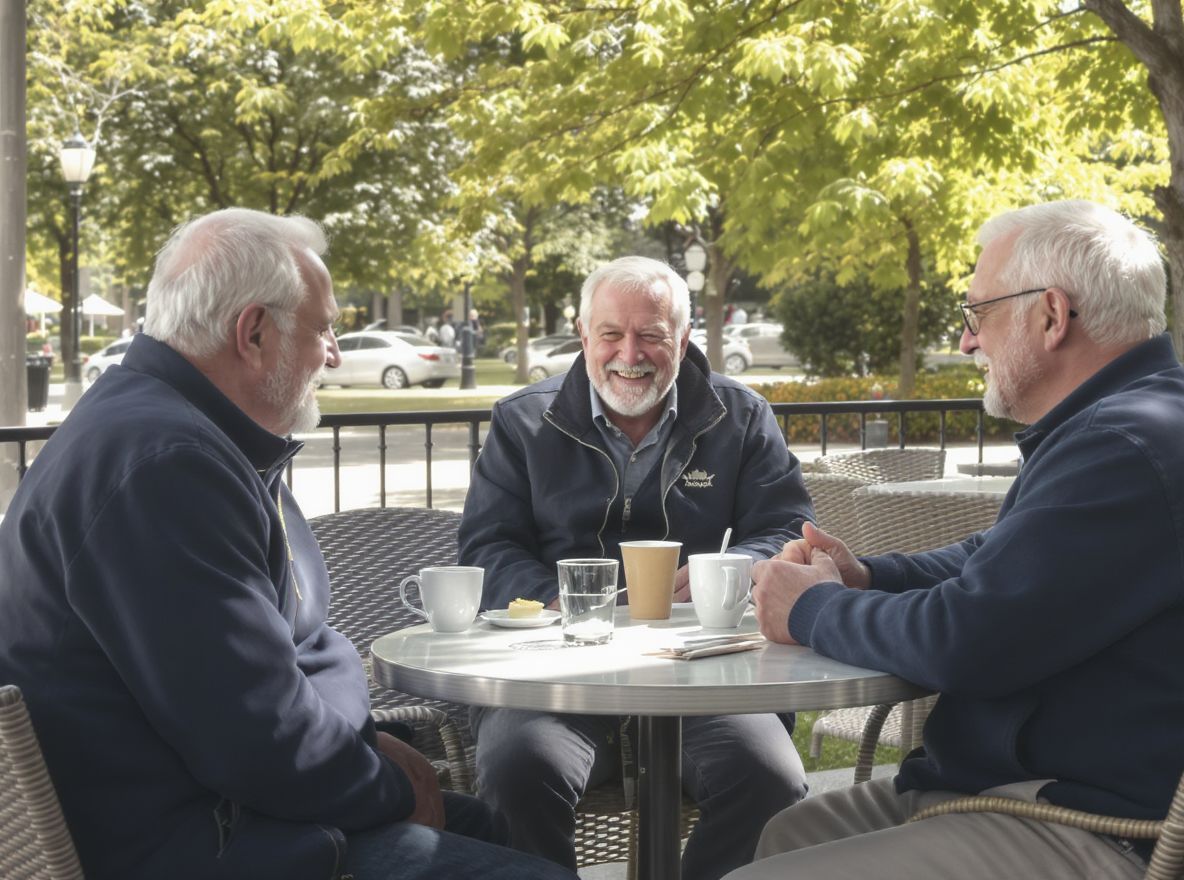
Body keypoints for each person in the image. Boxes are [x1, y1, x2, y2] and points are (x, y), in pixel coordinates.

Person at [0, 208, 573, 880]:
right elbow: (257, 741)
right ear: (254, 333)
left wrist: (372, 750)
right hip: (199, 841)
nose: (333, 353)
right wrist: (386, 782)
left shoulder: (191, 437)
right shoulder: (164, 465)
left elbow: (295, 659)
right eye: (323, 328)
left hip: (228, 810)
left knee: (495, 830)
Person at [729, 200, 1184, 880]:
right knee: (789, 834)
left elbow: (968, 641)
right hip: (1024, 787)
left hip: (1095, 821)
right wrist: (867, 578)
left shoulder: (1123, 443)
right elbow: (998, 560)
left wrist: (811, 608)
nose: (969, 341)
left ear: (1051, 316)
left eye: (977, 314)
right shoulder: (1136, 417)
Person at [458, 255, 815, 880]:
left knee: (771, 781)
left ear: (681, 339)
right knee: (519, 772)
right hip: (553, 675)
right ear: (582, 333)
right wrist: (571, 600)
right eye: (611, 334)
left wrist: (728, 566)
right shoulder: (521, 421)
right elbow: (488, 547)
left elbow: (786, 530)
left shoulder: (742, 415)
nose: (631, 353)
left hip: (707, 674)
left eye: (651, 335)